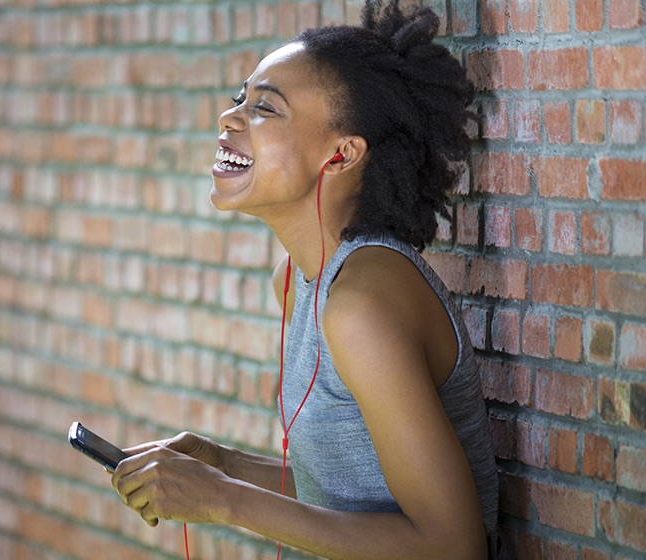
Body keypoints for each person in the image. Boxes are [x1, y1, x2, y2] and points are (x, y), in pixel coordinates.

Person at [111, 1, 499, 558]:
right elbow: (351, 499)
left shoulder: (362, 303)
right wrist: (225, 466)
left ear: (340, 155)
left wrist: (224, 499)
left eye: (266, 109)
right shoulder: (295, 282)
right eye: (239, 98)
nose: (230, 118)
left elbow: (452, 546)